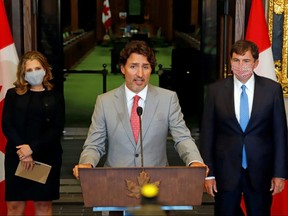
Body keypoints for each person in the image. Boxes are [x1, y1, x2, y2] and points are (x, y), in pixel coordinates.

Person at [73, 39, 206, 176]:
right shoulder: (105, 102)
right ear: (123, 68)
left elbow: (182, 138)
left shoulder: (168, 99)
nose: (140, 74)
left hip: (157, 182)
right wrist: (87, 163)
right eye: (133, 66)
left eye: (145, 67)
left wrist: (194, 161)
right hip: (116, 183)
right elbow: (94, 145)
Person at [199, 39, 288, 216]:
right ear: (230, 62)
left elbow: (280, 134)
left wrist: (279, 173)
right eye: (236, 60)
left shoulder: (272, 90)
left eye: (246, 61)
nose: (241, 65)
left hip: (261, 172)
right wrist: (208, 174)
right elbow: (207, 134)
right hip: (225, 173)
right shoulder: (215, 91)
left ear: (255, 63)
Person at [2, 51, 65, 215]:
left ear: (45, 69)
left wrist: (32, 149)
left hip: (46, 156)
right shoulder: (13, 94)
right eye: (29, 70)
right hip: (17, 157)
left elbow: (56, 129)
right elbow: (7, 125)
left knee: (43, 205)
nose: (34, 73)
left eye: (37, 68)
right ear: (23, 73)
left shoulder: (55, 96)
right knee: (14, 205)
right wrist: (24, 152)